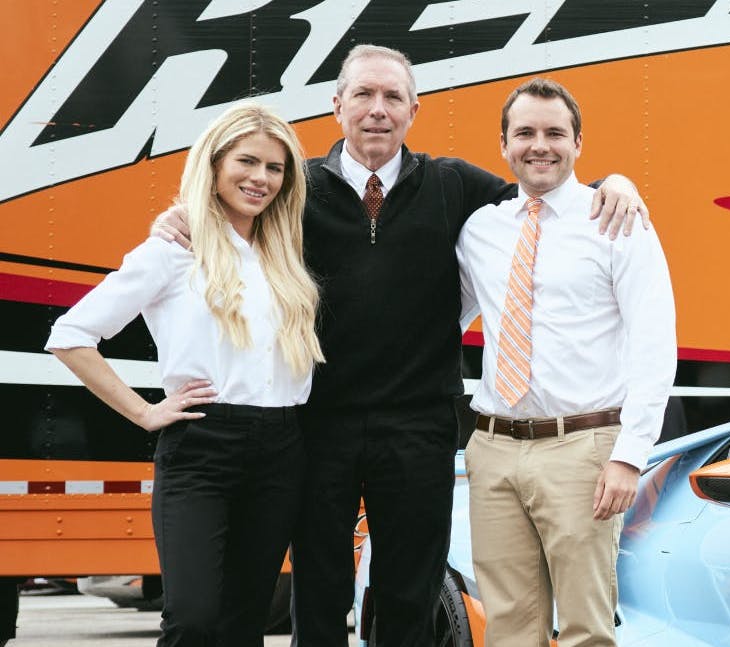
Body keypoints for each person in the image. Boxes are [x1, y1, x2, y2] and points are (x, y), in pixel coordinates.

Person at [156, 45, 646, 647]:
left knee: (408, 593)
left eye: (393, 97)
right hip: (316, 427)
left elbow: (542, 189)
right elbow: (228, 209)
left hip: (418, 427)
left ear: (414, 110)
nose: (377, 110)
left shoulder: (453, 185)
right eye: (363, 94)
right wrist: (177, 217)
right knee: (320, 589)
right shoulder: (294, 190)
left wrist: (613, 182)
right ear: (337, 105)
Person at [47, 102, 324, 646]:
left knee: (245, 621)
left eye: (275, 168)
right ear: (215, 165)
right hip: (202, 448)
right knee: (192, 618)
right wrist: (144, 412)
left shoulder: (286, 252)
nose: (260, 179)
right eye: (247, 162)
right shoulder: (173, 251)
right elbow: (71, 336)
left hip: (283, 449)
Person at [457, 77, 676, 646]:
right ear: (503, 145)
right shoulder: (480, 231)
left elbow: (655, 343)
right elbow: (439, 322)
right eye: (524, 132)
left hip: (581, 450)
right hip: (494, 451)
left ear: (579, 143)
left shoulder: (617, 222)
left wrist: (629, 456)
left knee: (585, 628)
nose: (540, 145)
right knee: (508, 626)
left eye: (556, 133)